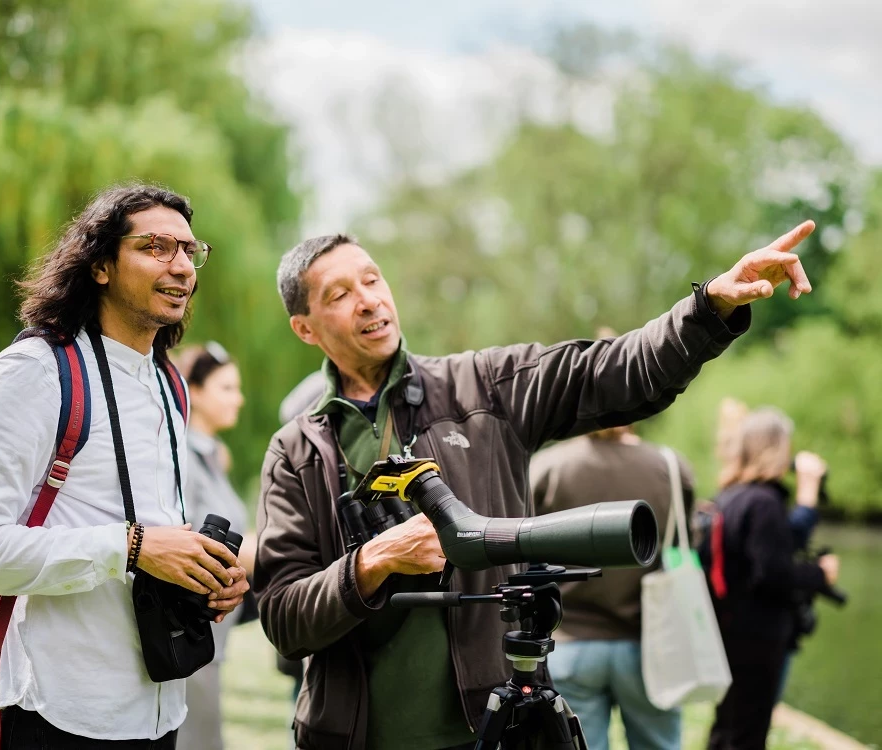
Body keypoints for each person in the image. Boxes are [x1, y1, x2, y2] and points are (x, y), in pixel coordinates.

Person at [253, 221, 817, 750]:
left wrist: (709, 306)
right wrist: (372, 562)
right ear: (306, 328)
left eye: (372, 279)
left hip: (494, 728)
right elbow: (282, 618)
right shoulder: (297, 451)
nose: (369, 299)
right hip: (352, 736)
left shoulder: (482, 387)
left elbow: (613, 370)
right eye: (339, 294)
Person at [0, 184, 250, 748]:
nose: (181, 267)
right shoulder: (34, 371)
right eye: (156, 247)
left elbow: (160, 535)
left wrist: (209, 577)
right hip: (60, 708)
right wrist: (130, 547)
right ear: (101, 264)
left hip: (162, 706)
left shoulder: (169, 382)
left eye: (189, 250)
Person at [529, 424, 693, 750]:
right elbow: (684, 547)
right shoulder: (670, 466)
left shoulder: (547, 467)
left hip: (571, 642)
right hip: (651, 645)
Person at [705, 407, 840, 750]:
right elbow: (773, 572)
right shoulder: (763, 502)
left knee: (727, 728)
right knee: (748, 734)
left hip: (729, 629)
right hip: (757, 636)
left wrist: (807, 497)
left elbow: (767, 551)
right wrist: (819, 574)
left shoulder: (731, 496)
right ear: (777, 449)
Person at [175, 341, 257, 749]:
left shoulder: (211, 456)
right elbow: (183, 536)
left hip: (212, 630)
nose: (239, 398)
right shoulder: (183, 456)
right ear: (194, 391)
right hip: (185, 625)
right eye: (227, 388)